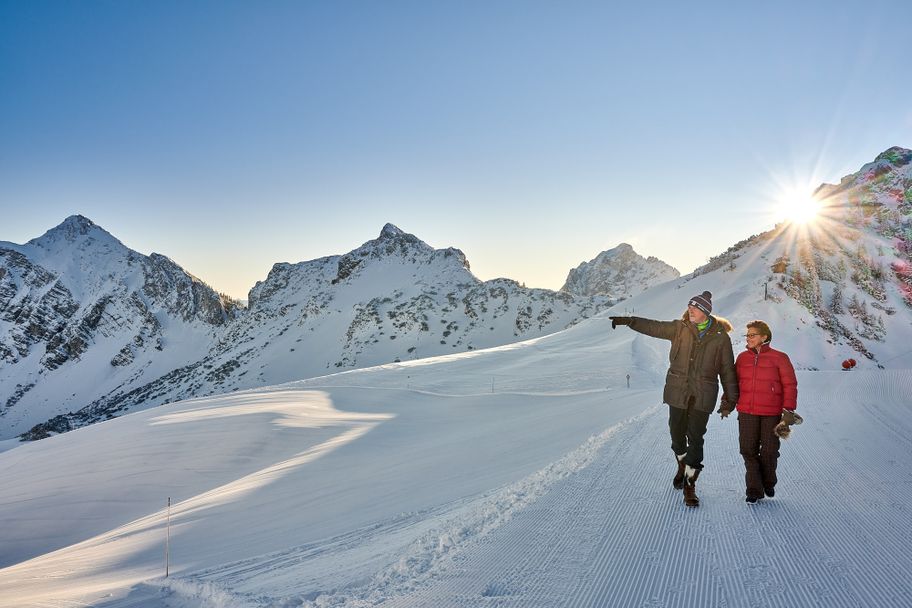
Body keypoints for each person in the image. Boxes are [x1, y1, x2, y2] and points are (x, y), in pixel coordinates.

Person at [610, 291, 739, 507]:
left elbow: (727, 371)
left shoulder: (720, 338)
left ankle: (690, 485)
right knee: (677, 437)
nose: (690, 310)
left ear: (705, 312)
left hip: (703, 394)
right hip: (678, 391)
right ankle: (682, 464)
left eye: (695, 308)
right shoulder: (679, 328)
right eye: (689, 306)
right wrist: (630, 321)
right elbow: (654, 327)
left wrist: (729, 400)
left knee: (696, 439)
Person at [719, 320, 798, 504]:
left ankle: (768, 481)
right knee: (748, 450)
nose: (749, 338)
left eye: (752, 335)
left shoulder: (780, 358)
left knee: (770, 451)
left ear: (764, 337)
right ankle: (754, 489)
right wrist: (726, 403)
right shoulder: (742, 358)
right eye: (747, 335)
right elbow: (733, 384)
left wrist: (789, 410)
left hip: (771, 412)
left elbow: (790, 384)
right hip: (747, 411)